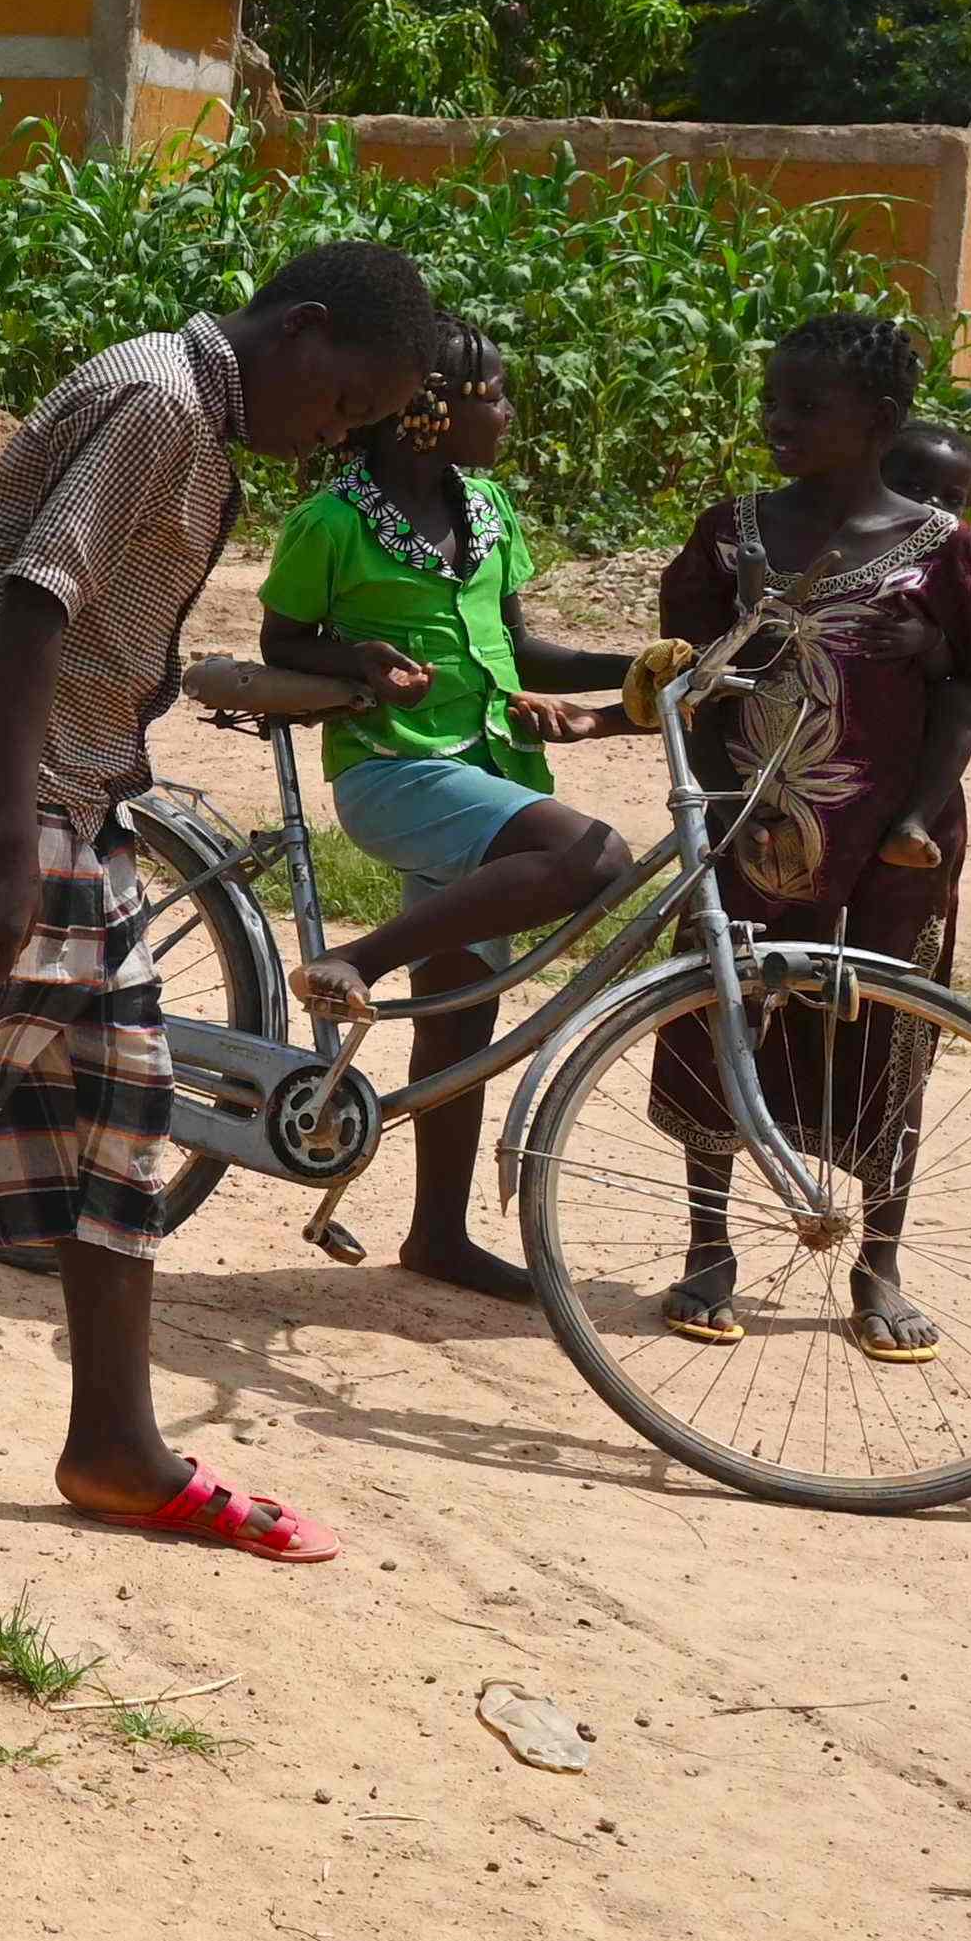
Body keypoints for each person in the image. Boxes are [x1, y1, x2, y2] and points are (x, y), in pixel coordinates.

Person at [0, 243, 440, 1561]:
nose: (329, 436)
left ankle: (113, 1446)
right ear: (299, 332)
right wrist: (5, 838)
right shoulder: (161, 402)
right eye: (340, 403)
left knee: (114, 1135)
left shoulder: (195, 410)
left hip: (80, 815)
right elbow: (29, 605)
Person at [649, 313, 971, 1357]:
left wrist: (917, 801)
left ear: (876, 419)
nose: (776, 420)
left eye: (803, 405)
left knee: (883, 1042)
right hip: (743, 828)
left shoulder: (943, 551)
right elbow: (675, 672)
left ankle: (878, 1262)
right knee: (719, 1016)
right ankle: (704, 1246)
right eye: (770, 399)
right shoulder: (728, 533)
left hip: (889, 850)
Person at [256, 320, 647, 1299]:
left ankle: (435, 1234)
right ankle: (352, 960)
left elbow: (522, 650)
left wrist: (640, 665)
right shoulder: (331, 521)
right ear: (430, 407)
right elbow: (279, 641)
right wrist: (357, 661)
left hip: (485, 774)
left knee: (461, 1015)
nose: (510, 413)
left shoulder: (488, 509)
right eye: (496, 395)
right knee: (593, 857)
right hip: (392, 773)